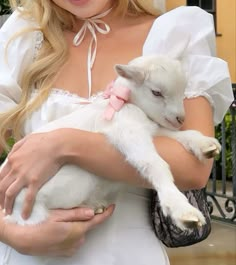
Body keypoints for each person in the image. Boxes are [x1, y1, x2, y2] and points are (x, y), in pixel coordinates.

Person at [0, 0, 234, 264]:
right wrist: (6, 231)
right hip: (25, 254)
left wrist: (63, 144)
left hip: (127, 253)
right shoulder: (25, 36)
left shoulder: (174, 33)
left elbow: (192, 166)